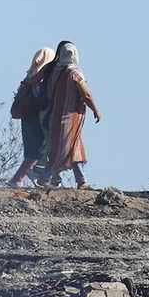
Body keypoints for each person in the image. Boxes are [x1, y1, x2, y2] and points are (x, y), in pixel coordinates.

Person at [45, 41, 102, 189]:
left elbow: (50, 94)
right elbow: (86, 94)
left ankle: (82, 181)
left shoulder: (55, 72)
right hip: (69, 118)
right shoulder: (74, 73)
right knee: (62, 150)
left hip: (57, 117)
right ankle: (45, 177)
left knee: (75, 147)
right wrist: (95, 109)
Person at [8, 46, 56, 187]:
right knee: (39, 148)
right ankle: (18, 179)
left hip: (26, 116)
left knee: (31, 148)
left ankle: (37, 177)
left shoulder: (29, 75)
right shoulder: (41, 77)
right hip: (37, 116)